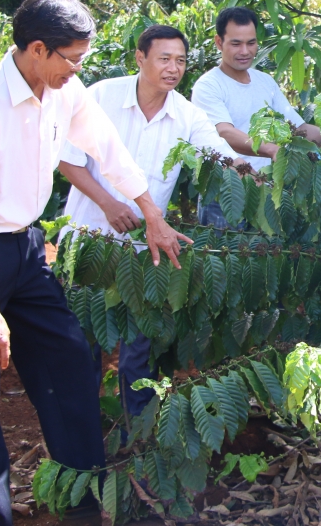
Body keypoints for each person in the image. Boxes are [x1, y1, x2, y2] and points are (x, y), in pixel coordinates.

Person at [0, 0, 191, 526]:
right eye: (71, 59)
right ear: (37, 49)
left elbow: (108, 149)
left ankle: (81, 507)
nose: (78, 70)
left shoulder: (64, 92)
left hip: (25, 252)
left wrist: (151, 213)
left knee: (70, 362)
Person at [57, 24, 244, 417]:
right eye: (164, 58)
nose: (173, 68)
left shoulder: (187, 115)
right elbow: (68, 161)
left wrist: (257, 168)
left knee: (134, 356)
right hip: (87, 243)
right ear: (140, 57)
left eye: (180, 60)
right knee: (82, 344)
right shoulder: (102, 96)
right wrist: (108, 204)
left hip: (143, 251)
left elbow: (220, 152)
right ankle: (83, 433)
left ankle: (136, 435)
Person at [191, 6, 321, 228]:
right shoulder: (209, 86)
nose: (245, 51)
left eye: (251, 43)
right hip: (226, 193)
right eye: (236, 44)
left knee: (263, 259)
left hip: (266, 192)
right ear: (219, 43)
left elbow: (297, 127)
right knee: (227, 258)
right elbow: (223, 132)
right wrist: (270, 149)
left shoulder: (265, 82)